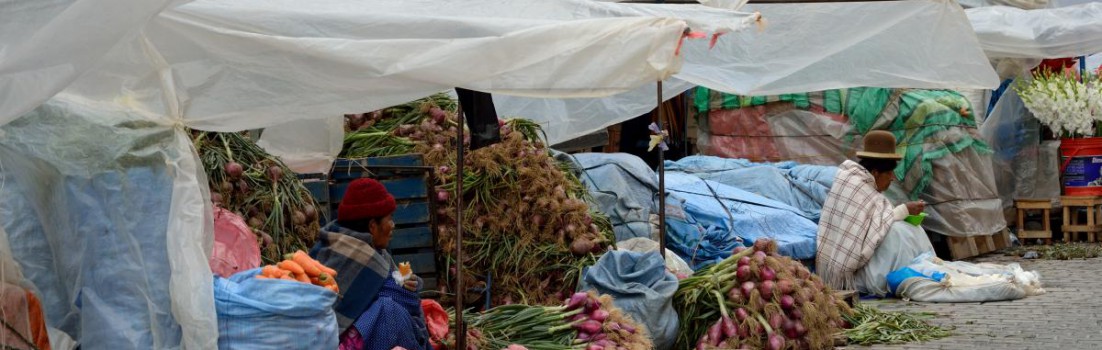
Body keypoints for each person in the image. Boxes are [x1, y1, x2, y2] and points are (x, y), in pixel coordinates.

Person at [310, 178, 429, 350]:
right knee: (389, 311)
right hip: (331, 343)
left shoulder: (368, 250)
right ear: (373, 226)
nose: (393, 225)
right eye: (390, 219)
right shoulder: (364, 258)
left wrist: (408, 283)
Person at [816, 131, 930, 292]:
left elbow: (873, 223)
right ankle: (903, 278)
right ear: (875, 172)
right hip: (846, 272)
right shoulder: (855, 185)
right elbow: (873, 231)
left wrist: (903, 212)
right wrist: (904, 209)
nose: (892, 178)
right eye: (889, 173)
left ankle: (923, 269)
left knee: (909, 229)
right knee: (897, 232)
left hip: (850, 264)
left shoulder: (859, 182)